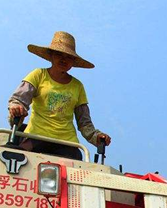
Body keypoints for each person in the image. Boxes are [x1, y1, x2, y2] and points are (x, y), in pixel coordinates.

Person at [7, 31, 111, 160]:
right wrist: (16, 107)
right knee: (16, 160)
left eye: (68, 57)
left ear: (73, 61)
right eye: (59, 54)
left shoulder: (77, 86)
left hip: (66, 142)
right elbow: (19, 100)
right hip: (37, 137)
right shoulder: (38, 75)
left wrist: (97, 136)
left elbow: (84, 123)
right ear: (51, 56)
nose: (63, 59)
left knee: (77, 170)